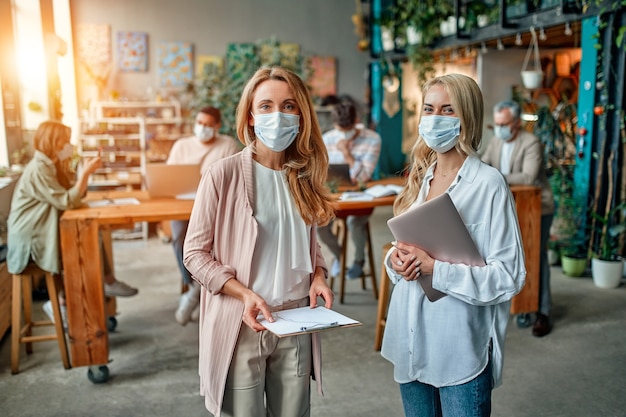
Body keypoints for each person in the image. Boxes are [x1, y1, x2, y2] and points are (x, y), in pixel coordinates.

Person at [183, 66, 336, 417]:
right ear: (251, 117)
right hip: (244, 322)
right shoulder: (223, 174)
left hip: (297, 319)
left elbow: (309, 244)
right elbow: (194, 253)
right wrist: (242, 293)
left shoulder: (304, 176)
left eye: (289, 106)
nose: (277, 115)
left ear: (301, 115)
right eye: (266, 106)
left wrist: (318, 275)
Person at [381, 74, 526, 417]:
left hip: (458, 347)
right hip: (411, 341)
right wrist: (394, 261)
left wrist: (435, 269)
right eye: (429, 109)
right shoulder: (421, 176)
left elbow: (508, 277)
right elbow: (403, 248)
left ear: (468, 118)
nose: (435, 119)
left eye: (448, 110)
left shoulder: (488, 185)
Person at [7, 121, 138, 327]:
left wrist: (83, 172)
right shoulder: (39, 169)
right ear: (53, 143)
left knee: (88, 237)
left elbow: (73, 195)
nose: (69, 145)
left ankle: (77, 299)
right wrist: (85, 174)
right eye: (65, 141)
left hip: (44, 229)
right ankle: (69, 302)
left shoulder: (51, 165)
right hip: (32, 238)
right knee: (82, 244)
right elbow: (67, 200)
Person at [481, 99, 555, 337]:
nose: (500, 128)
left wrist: (493, 176)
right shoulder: (496, 141)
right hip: (509, 208)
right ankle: (518, 304)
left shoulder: (531, 142)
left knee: (536, 257)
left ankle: (543, 312)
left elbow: (528, 177)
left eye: (505, 124)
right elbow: (482, 164)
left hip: (537, 208)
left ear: (516, 122)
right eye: (497, 124)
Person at [166, 106, 240, 326]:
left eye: (208, 125)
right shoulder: (181, 146)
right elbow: (169, 176)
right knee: (179, 239)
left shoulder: (227, 145)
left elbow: (232, 180)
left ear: (217, 126)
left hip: (215, 206)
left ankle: (196, 292)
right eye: (200, 123)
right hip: (182, 203)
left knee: (218, 243)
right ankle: (195, 287)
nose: (203, 128)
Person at [317, 95, 381, 279]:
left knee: (355, 222)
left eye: (348, 129)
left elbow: (362, 177)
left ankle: (359, 261)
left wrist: (347, 154)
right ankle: (340, 256)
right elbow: (322, 172)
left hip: (361, 195)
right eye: (340, 130)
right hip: (334, 196)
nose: (343, 134)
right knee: (319, 224)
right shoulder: (328, 139)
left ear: (356, 121)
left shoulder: (372, 139)